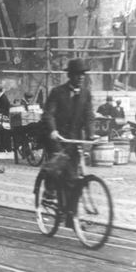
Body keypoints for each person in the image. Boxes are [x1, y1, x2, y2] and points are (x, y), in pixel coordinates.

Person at [42, 60, 94, 194]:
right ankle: (49, 191)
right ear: (70, 75)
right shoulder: (57, 92)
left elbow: (89, 116)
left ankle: (68, 210)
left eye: (83, 74)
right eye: (77, 74)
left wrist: (91, 135)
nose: (81, 77)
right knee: (58, 168)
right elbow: (49, 114)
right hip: (57, 138)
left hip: (74, 140)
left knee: (73, 176)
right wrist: (53, 130)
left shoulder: (85, 94)